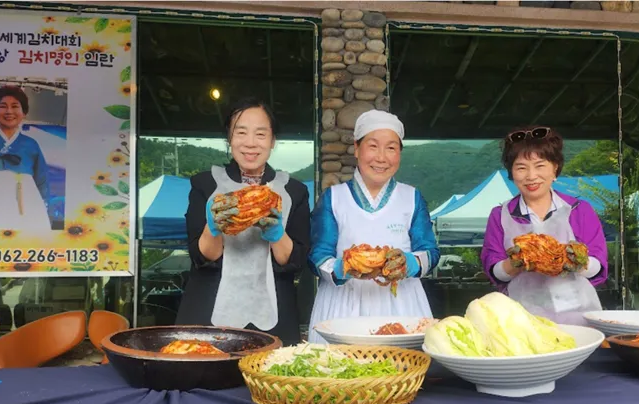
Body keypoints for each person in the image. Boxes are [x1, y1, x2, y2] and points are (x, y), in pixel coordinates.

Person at [175, 98, 310, 345]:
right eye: (241, 132)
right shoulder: (205, 184)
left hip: (275, 319)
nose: (250, 143)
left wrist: (278, 234)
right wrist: (213, 227)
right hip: (209, 314)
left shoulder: (293, 191)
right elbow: (202, 256)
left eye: (260, 134)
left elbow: (296, 261)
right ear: (230, 138)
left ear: (272, 140)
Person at [307, 110, 440, 343]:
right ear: (357, 148)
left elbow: (430, 251)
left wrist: (409, 263)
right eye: (373, 146)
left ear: (399, 153)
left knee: (403, 364)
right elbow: (318, 255)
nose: (381, 157)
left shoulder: (411, 197)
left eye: (391, 148)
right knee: (340, 365)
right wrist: (342, 268)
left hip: (402, 306)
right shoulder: (334, 198)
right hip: (343, 306)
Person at [480, 126, 607, 325]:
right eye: (521, 168)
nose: (531, 176)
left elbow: (598, 265)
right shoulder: (500, 215)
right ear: (511, 172)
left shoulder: (579, 210)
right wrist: (517, 261)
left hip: (577, 316)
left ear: (555, 168)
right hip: (523, 319)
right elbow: (495, 271)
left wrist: (573, 260)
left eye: (540, 166)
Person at [0, 85, 51, 231]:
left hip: (23, 198)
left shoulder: (31, 144)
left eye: (15, 106)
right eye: (3, 106)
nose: (9, 111)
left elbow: (42, 179)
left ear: (23, 112)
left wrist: (43, 205)